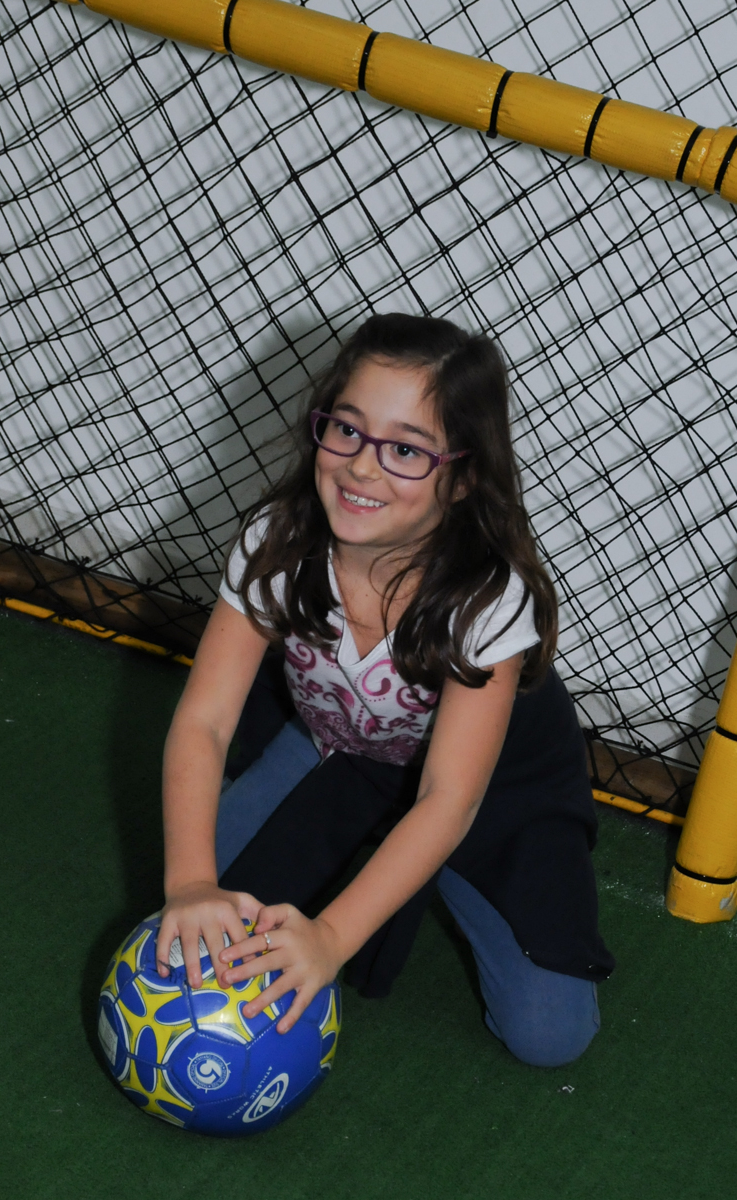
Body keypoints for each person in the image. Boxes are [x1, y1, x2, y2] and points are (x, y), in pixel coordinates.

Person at [157, 313, 613, 1068]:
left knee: (548, 1038)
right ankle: (355, 846)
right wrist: (190, 882)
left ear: (462, 477)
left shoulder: (486, 598)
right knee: (192, 926)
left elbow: (447, 799)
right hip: (334, 746)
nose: (362, 467)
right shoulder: (276, 542)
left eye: (404, 449)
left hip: (490, 790)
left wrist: (330, 938)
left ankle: (429, 877)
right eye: (346, 430)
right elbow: (203, 721)